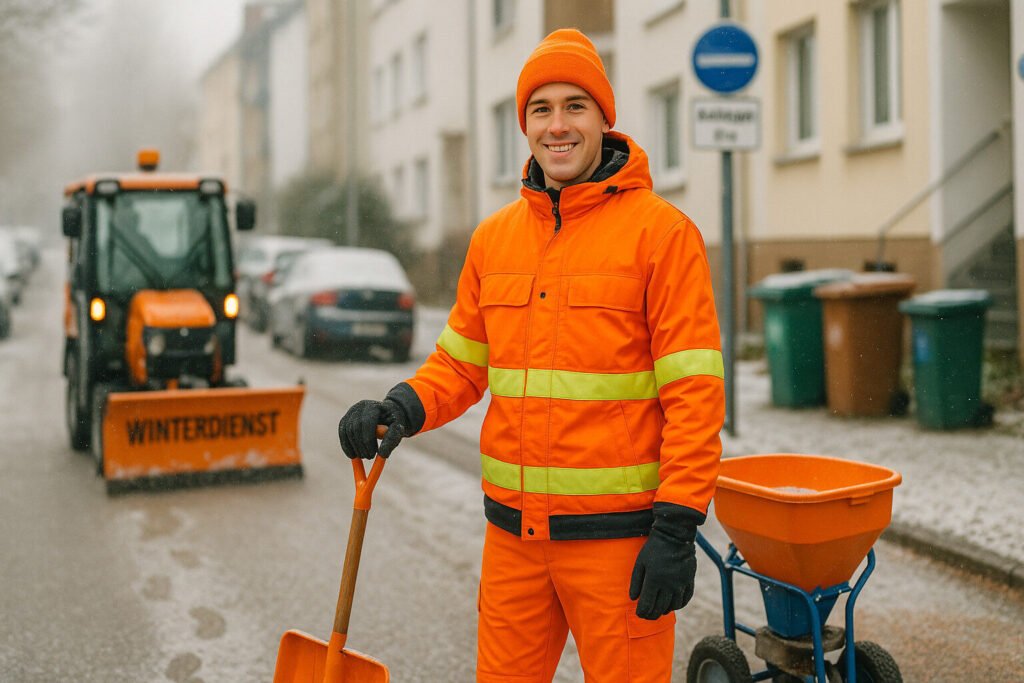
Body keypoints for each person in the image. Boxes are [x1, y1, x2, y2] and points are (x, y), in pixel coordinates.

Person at [339, 27, 724, 683]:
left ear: (604, 118)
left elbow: (695, 394)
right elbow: (460, 364)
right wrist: (399, 406)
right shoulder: (494, 241)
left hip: (619, 545)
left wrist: (677, 525)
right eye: (541, 109)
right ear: (525, 125)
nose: (558, 125)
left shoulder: (662, 236)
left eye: (576, 106)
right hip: (514, 543)